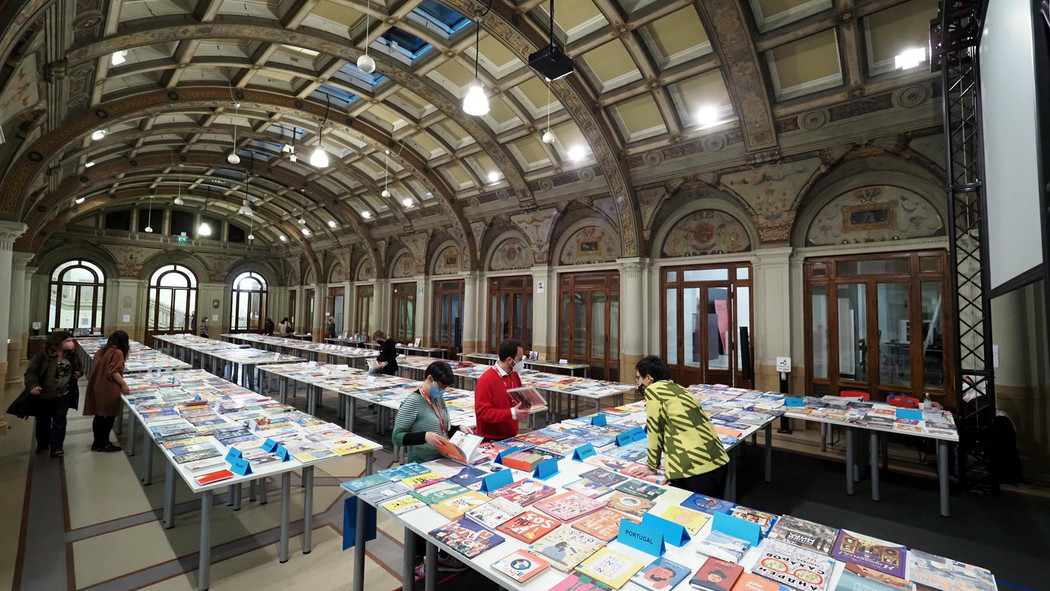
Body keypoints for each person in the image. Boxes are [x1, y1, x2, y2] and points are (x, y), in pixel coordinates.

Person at [391, 360, 470, 578]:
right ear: (429, 379)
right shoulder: (412, 402)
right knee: (421, 516)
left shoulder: (438, 399)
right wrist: (423, 437)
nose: (442, 391)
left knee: (442, 512)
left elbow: (441, 428)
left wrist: (458, 428)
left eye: (445, 388)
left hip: (442, 463)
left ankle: (442, 555)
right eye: (440, 386)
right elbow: (397, 437)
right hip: (420, 466)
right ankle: (416, 561)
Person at [624, 355, 730, 497]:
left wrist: (652, 466)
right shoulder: (679, 388)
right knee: (714, 507)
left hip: (694, 466)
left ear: (648, 378)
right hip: (717, 458)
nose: (638, 383)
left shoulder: (653, 390)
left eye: (638, 378)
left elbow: (655, 431)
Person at [24, 331, 82, 457]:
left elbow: (78, 367)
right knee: (43, 420)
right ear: (58, 342)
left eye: (71, 340)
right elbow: (31, 372)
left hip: (64, 393)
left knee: (60, 419)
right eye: (67, 341)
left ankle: (57, 447)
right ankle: (43, 444)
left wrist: (78, 373)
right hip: (45, 393)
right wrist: (33, 385)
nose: (71, 343)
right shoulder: (43, 356)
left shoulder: (72, 355)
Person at [473, 338, 531, 441]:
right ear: (509, 360)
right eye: (519, 359)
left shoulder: (514, 375)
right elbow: (482, 413)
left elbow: (517, 397)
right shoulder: (486, 380)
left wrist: (525, 403)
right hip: (491, 438)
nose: (521, 363)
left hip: (510, 435)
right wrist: (512, 413)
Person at [84, 330, 131, 452]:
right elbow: (113, 371)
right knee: (109, 415)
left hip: (98, 385)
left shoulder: (102, 351)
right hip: (109, 387)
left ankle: (97, 442)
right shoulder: (117, 352)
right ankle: (104, 443)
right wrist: (124, 384)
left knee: (99, 415)